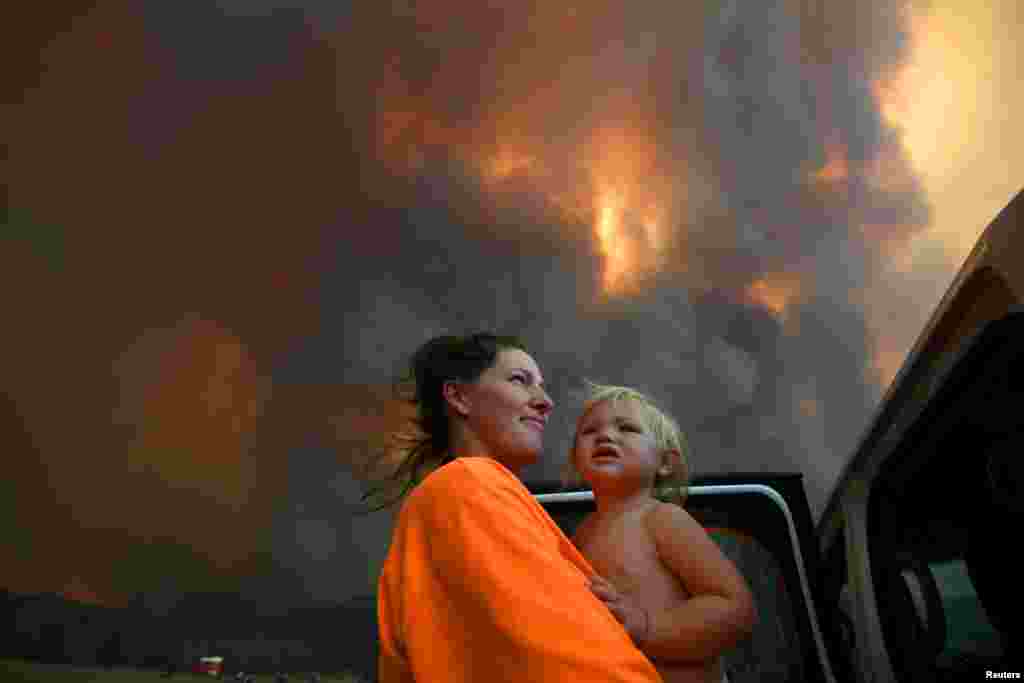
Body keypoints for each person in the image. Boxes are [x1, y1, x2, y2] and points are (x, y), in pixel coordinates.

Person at [374, 332, 665, 682]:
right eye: (520, 380)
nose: (545, 401)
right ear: (459, 397)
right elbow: (565, 660)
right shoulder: (468, 484)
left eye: (541, 386)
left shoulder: (462, 495)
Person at [567, 382, 757, 683]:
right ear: (575, 460)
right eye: (589, 431)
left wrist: (647, 628)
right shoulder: (578, 537)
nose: (605, 435)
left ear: (665, 463)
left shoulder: (663, 519)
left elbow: (734, 606)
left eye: (627, 428)